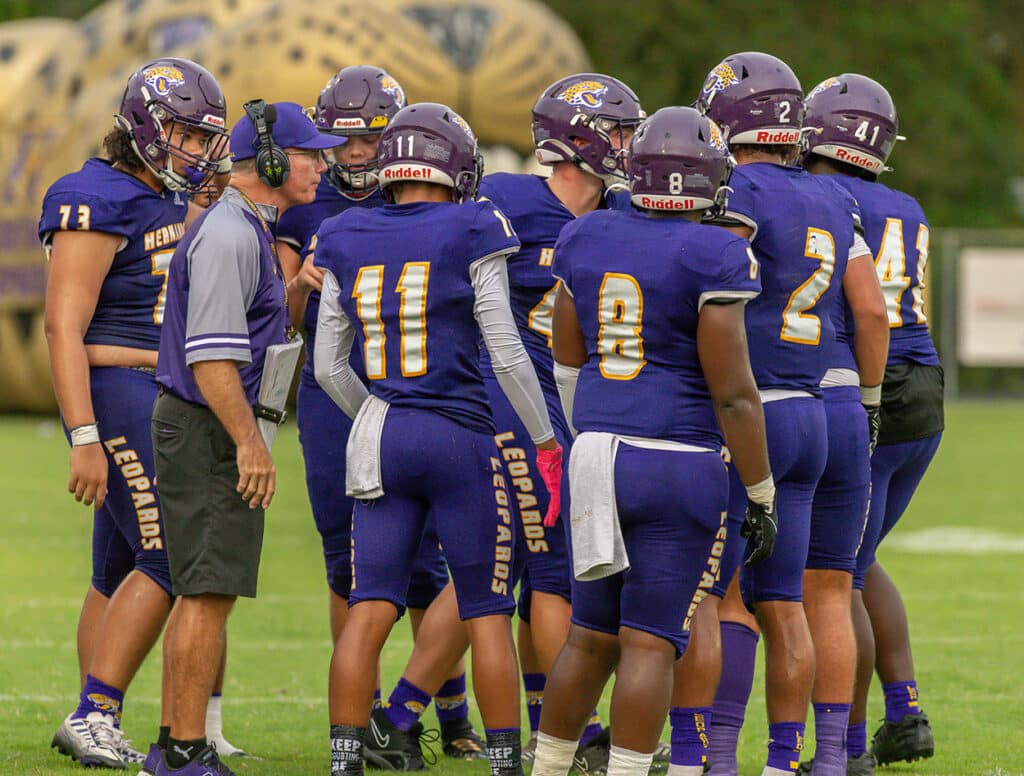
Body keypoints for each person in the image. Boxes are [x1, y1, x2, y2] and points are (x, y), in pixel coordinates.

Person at [313, 101, 562, 776]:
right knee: (485, 608)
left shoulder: (344, 230)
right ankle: (507, 762)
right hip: (458, 435)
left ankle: (345, 762)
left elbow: (326, 365)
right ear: (453, 165)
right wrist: (544, 436)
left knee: (369, 608)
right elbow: (506, 350)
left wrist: (381, 412)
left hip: (382, 434)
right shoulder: (474, 222)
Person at [528, 105, 774, 776]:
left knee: (589, 636)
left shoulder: (587, 235)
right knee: (648, 643)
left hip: (597, 452)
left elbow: (567, 357)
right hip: (677, 459)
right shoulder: (716, 250)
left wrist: (594, 432)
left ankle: (547, 767)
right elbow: (733, 392)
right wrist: (760, 490)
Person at [276, 66, 484, 765]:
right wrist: (300, 285)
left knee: (440, 563)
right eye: (345, 141)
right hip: (340, 402)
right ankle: (364, 721)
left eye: (372, 139)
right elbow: (277, 317)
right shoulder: (307, 207)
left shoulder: (442, 204)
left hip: (425, 394)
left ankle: (443, 712)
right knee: (352, 567)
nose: (358, 154)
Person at [40, 57, 228, 770]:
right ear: (146, 125)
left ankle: (93, 717)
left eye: (203, 135)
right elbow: (64, 327)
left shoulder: (172, 198)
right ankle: (96, 712)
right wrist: (83, 435)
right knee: (172, 556)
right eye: (184, 131)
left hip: (160, 393)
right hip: (118, 394)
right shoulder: (93, 197)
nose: (196, 148)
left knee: (117, 568)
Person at [691, 52, 871, 776]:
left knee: (733, 598)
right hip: (816, 408)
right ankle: (816, 760)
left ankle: (724, 758)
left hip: (755, 411)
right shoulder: (831, 196)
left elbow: (718, 280)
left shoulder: (738, 190)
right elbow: (867, 307)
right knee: (794, 599)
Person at [151, 100, 343, 776]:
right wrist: (251, 443)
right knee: (208, 591)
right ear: (268, 161)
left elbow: (255, 331)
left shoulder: (247, 227)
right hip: (208, 427)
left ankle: (178, 742)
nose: (321, 165)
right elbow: (211, 358)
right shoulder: (234, 233)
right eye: (308, 153)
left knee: (205, 589)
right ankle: (181, 749)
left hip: (204, 425)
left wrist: (293, 287)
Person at [803, 73, 943, 773]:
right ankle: (905, 709)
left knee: (835, 579)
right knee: (856, 564)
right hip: (925, 387)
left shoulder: (820, 196)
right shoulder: (906, 202)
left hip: (868, 382)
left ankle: (847, 750)